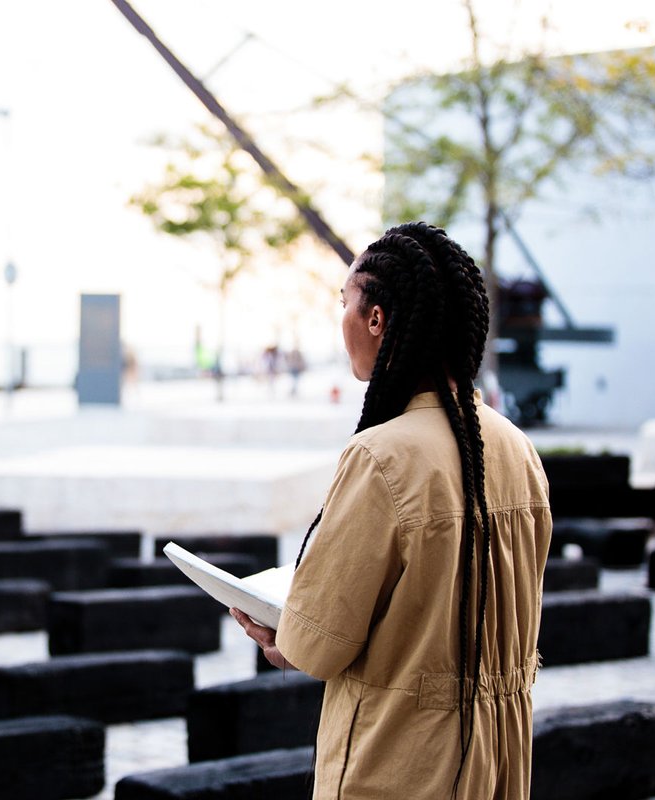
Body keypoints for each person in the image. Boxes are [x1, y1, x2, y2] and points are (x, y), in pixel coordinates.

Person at [231, 222, 551, 799]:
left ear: (376, 319)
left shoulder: (382, 457)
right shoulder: (517, 448)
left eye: (345, 303)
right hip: (499, 763)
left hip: (401, 764)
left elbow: (319, 644)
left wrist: (284, 638)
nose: (342, 321)